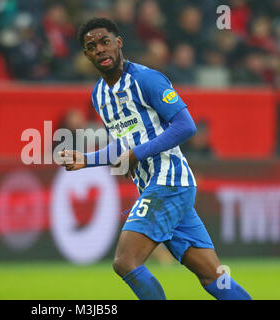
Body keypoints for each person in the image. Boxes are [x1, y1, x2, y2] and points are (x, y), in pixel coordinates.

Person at [59, 17, 252, 300]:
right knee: (212, 276)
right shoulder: (99, 95)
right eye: (92, 46)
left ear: (118, 43)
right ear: (86, 54)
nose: (100, 49)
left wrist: (137, 154)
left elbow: (185, 125)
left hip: (169, 181)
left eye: (105, 42)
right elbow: (125, 146)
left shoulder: (146, 79)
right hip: (157, 187)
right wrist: (86, 160)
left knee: (125, 261)